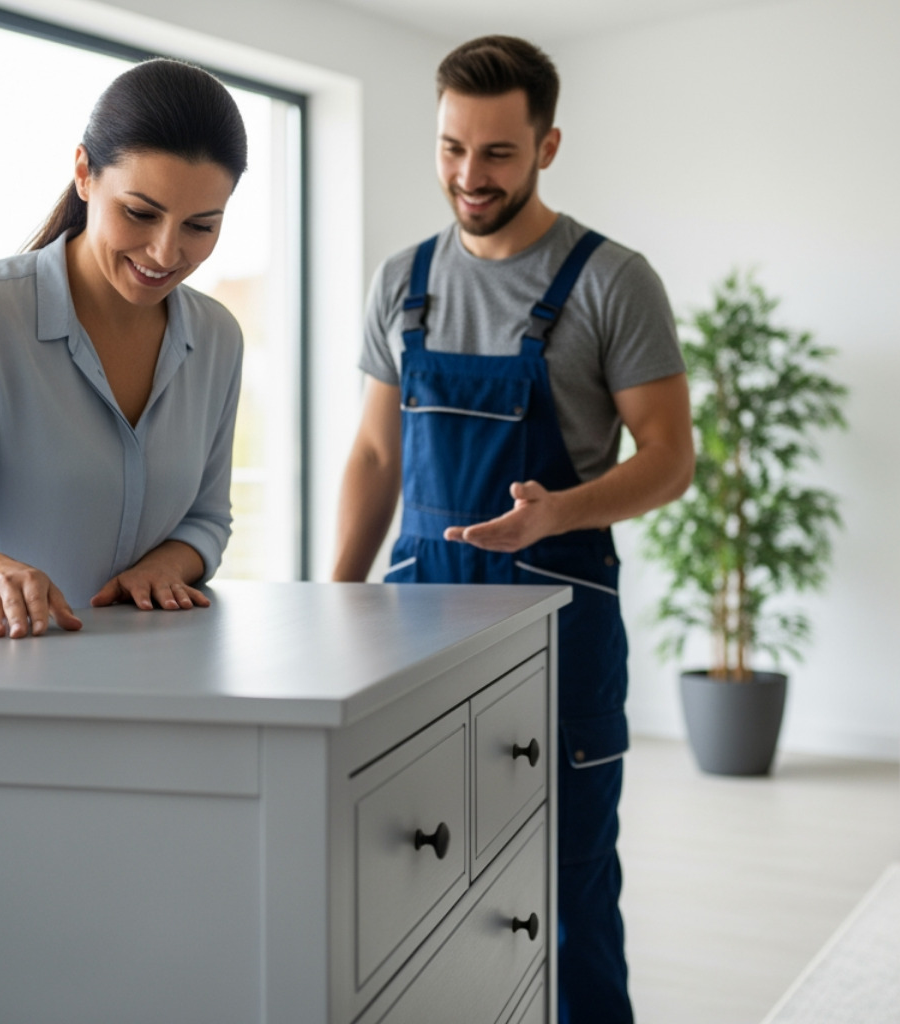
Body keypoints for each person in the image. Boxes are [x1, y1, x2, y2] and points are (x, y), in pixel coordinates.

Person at [332, 35, 695, 1024]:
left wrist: (557, 512)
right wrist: (340, 595)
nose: (468, 174)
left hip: (560, 630)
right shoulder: (400, 280)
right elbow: (374, 457)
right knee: (417, 884)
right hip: (414, 632)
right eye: (452, 147)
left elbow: (669, 456)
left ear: (548, 145)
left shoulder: (612, 281)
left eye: (496, 152)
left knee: (567, 887)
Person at [0, 59, 248, 645]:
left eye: (201, 226)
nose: (166, 251)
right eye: (140, 213)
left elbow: (206, 518)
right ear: (84, 174)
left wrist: (166, 566)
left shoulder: (219, 338)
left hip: (125, 679)